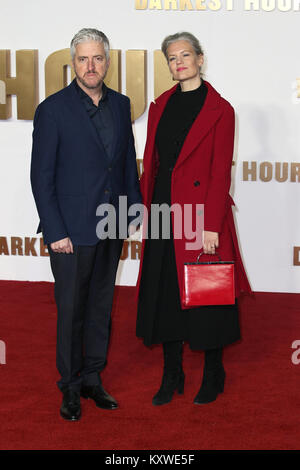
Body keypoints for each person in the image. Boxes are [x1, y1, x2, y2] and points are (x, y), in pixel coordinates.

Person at [31, 28, 141, 421]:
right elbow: (41, 176)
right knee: (71, 310)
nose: (90, 66)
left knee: (100, 307)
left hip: (111, 224)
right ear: (73, 62)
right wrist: (55, 230)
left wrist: (133, 211)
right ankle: (71, 386)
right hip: (71, 232)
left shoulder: (120, 104)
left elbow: (126, 164)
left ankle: (93, 378)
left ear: (107, 62)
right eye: (83, 59)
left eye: (97, 58)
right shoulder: (53, 109)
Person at [136, 32, 252, 406]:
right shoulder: (159, 106)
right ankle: (173, 373)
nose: (179, 62)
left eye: (186, 55)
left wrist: (211, 225)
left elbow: (220, 173)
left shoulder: (221, 109)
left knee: (207, 295)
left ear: (201, 59)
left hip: (202, 216)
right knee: (166, 294)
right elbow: (152, 164)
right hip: (163, 212)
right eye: (172, 57)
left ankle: (214, 372)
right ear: (168, 65)